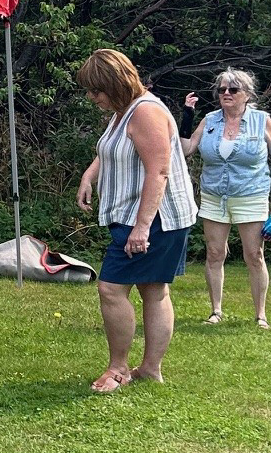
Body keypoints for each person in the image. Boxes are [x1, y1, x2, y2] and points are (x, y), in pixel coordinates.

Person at [76, 49, 198, 392]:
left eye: (96, 90)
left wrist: (142, 228)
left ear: (115, 83)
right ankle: (149, 370)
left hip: (153, 218)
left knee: (111, 288)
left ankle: (119, 369)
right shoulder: (123, 111)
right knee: (153, 289)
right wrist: (89, 176)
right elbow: (110, 151)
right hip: (137, 216)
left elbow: (159, 171)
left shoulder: (145, 112)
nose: (92, 97)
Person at [180, 69, 271, 329]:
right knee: (214, 253)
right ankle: (216, 311)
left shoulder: (262, 120)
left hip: (251, 194)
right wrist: (187, 115)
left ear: (247, 94)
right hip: (214, 195)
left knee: (254, 254)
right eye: (222, 90)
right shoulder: (209, 120)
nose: (226, 94)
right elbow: (186, 149)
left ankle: (260, 315)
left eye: (233, 89)